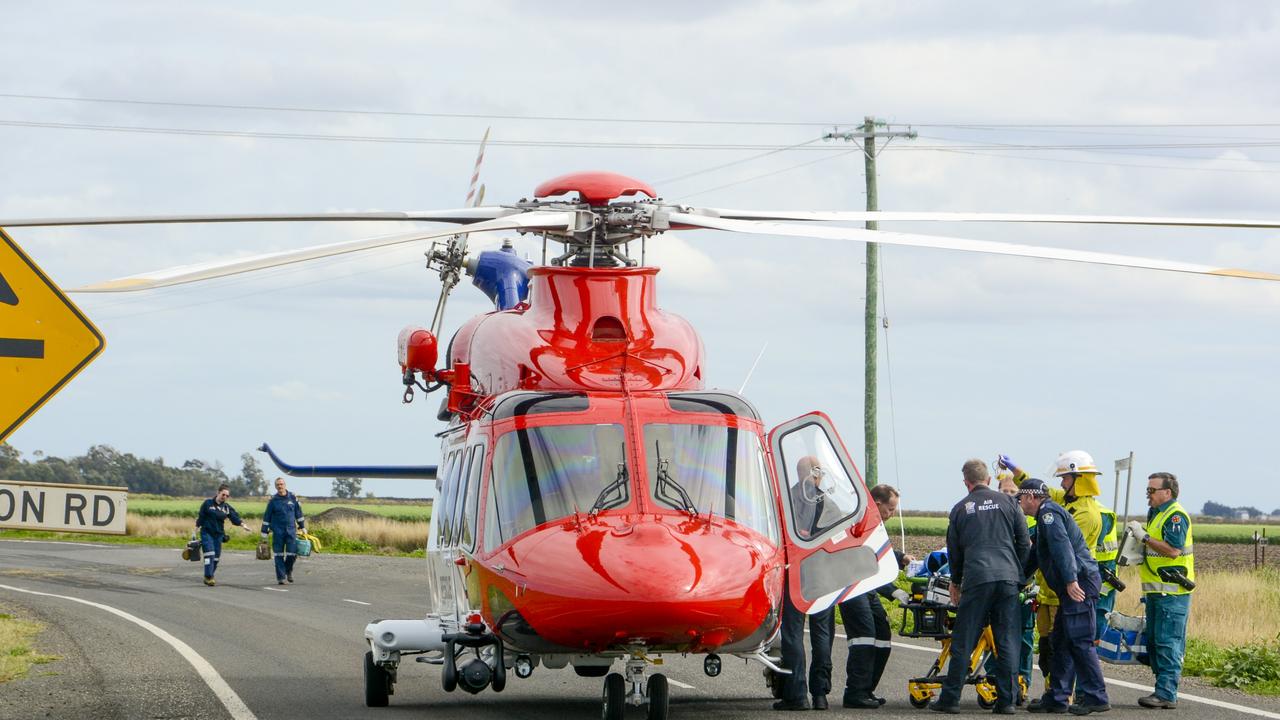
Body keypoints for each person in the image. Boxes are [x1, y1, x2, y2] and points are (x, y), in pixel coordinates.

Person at [930, 459, 1030, 715]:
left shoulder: (960, 508)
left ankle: (950, 699)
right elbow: (1023, 541)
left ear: (967, 483)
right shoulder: (1010, 503)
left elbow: (955, 551)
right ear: (987, 479)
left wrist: (956, 582)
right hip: (1008, 579)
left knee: (964, 638)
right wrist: (1018, 572)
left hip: (977, 578)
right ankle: (1006, 702)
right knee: (1007, 640)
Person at [1018, 478, 1110, 715]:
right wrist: (1017, 582)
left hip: (1078, 584)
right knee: (1061, 642)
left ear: (1030, 498)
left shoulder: (1048, 514)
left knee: (1080, 641)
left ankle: (1096, 696)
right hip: (1071, 586)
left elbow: (1062, 547)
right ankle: (1057, 698)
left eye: (1020, 498)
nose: (1019, 503)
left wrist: (1070, 580)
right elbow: (1037, 555)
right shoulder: (1043, 518)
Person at [839, 483, 913, 709]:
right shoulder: (860, 521)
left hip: (867, 587)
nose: (891, 515)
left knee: (882, 634)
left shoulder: (875, 523)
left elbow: (880, 552)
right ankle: (855, 693)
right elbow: (867, 560)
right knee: (864, 636)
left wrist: (900, 557)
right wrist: (892, 591)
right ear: (877, 503)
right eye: (890, 510)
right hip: (853, 586)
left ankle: (867, 689)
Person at [1128, 471, 1194, 710]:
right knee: (1155, 641)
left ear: (1168, 492)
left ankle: (1166, 693)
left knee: (1168, 642)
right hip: (1157, 591)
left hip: (1172, 592)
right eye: (1148, 490)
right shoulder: (1157, 513)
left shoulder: (1175, 515)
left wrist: (1143, 537)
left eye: (1152, 490)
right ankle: (1162, 689)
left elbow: (1173, 550)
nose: (1149, 494)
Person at [776, 456, 836, 711]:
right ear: (818, 473)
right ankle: (820, 694)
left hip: (795, 574)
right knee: (822, 634)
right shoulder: (829, 502)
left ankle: (796, 695)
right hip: (822, 575)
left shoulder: (785, 499)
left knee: (792, 634)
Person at [992, 471, 1036, 703]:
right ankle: (992, 681)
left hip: (1025, 584)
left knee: (1025, 637)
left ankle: (1023, 682)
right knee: (995, 635)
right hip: (1003, 584)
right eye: (1004, 491)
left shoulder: (1030, 519)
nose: (1009, 495)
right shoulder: (993, 517)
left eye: (1013, 492)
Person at [195, 483, 252, 586]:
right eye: (223, 494)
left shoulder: (226, 507)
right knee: (209, 554)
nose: (225, 497)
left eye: (227, 496)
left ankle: (209, 576)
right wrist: (196, 529)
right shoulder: (207, 503)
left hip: (218, 535)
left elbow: (234, 517)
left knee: (216, 558)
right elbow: (201, 517)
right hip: (207, 533)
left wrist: (243, 525)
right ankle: (208, 576)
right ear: (218, 493)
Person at [261, 476, 307, 585]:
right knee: (279, 555)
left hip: (291, 531)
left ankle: (288, 570)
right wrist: (264, 531)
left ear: (285, 485)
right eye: (278, 485)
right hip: (278, 531)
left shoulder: (293, 498)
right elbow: (267, 516)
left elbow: (298, 514)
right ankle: (281, 578)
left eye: (281, 484)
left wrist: (302, 526)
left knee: (292, 553)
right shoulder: (273, 501)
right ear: (275, 487)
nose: (280, 486)